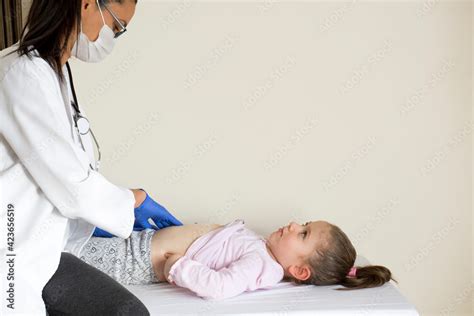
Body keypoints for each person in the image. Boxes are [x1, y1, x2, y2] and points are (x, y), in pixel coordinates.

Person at [0, 0, 181, 314]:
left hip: (45, 251)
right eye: (117, 27)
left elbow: (68, 172)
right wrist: (132, 201)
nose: (112, 36)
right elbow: (72, 185)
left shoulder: (55, 74)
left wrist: (117, 207)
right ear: (87, 5)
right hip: (12, 255)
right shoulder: (21, 74)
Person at [77, 219, 399, 300]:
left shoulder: (262, 267)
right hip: (139, 241)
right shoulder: (263, 249)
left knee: (59, 257)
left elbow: (220, 286)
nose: (294, 224)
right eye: (304, 223)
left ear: (299, 270)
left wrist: (175, 266)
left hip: (136, 259)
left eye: (302, 234)